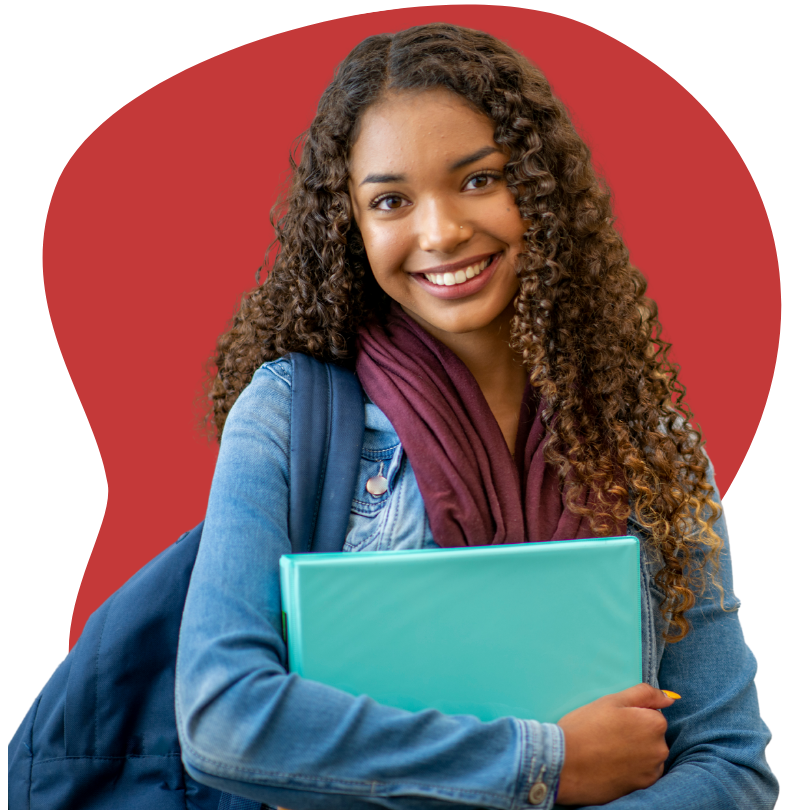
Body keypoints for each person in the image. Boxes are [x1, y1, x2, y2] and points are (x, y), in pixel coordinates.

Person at [175, 23, 778, 809]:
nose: (440, 232)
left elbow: (729, 763)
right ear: (352, 227)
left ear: (538, 189)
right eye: (391, 200)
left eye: (477, 179)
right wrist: (547, 764)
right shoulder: (291, 415)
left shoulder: (646, 441)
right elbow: (224, 719)